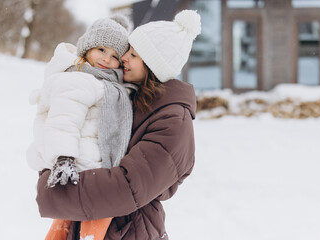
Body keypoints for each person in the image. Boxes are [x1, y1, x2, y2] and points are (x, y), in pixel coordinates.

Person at [36, 9, 201, 240]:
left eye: (132, 54)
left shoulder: (173, 122)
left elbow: (127, 188)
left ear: (152, 65)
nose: (122, 58)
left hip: (128, 231)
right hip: (96, 222)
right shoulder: (131, 97)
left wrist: (53, 191)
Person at [27, 15, 135, 240]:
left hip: (87, 166)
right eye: (102, 50)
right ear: (87, 48)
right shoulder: (80, 79)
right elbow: (64, 120)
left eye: (115, 56)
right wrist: (64, 157)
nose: (107, 59)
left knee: (65, 225)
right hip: (79, 165)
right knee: (98, 218)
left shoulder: (100, 80)